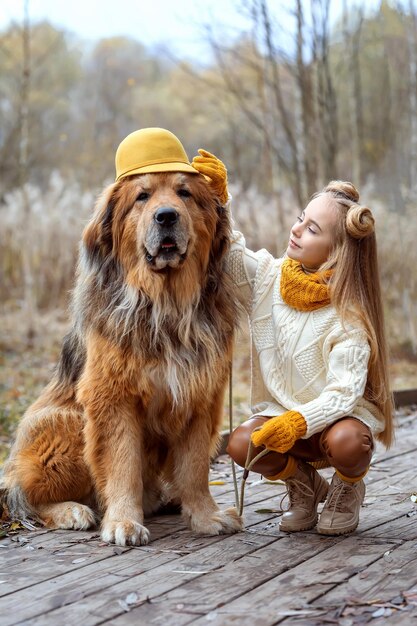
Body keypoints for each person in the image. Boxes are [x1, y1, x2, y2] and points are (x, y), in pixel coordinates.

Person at [191, 150, 394, 536]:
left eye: (313, 229)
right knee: (242, 444)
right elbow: (230, 253)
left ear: (337, 252)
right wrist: (217, 201)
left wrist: (298, 422)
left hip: (334, 423)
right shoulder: (268, 277)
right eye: (301, 218)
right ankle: (304, 486)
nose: (297, 229)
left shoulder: (349, 316)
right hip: (281, 411)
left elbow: (343, 395)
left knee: (350, 442)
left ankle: (348, 487)